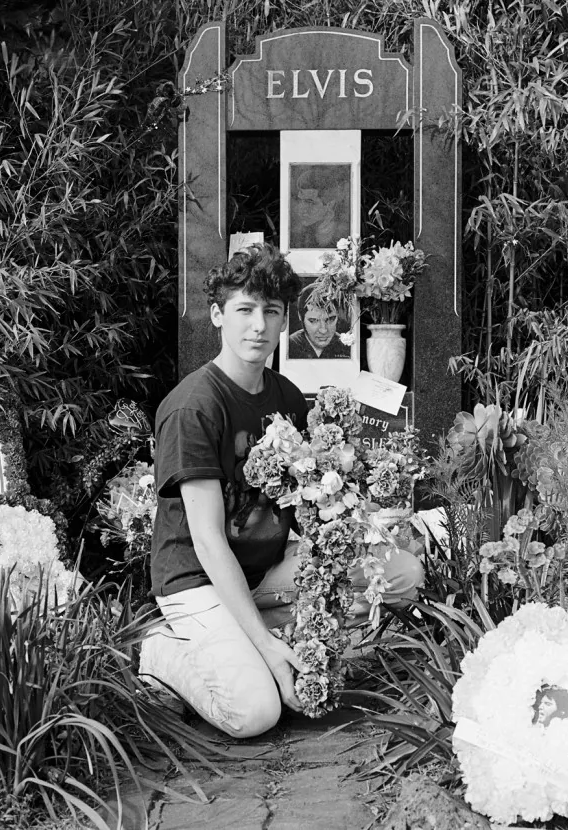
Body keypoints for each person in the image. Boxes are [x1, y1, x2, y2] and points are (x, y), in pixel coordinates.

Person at [138, 243, 424, 738]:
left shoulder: (286, 396)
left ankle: (249, 639)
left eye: (271, 311)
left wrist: (367, 518)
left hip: (263, 570)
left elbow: (312, 502)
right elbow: (207, 541)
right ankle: (161, 650)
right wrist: (271, 651)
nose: (258, 326)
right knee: (255, 714)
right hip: (198, 579)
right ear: (217, 315)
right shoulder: (194, 409)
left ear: (284, 319)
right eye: (244, 310)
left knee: (400, 574)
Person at [290, 166, 351, 249]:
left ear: (330, 205)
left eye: (310, 202)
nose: (302, 209)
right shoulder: (298, 235)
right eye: (300, 200)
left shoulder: (342, 236)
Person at [288, 284, 352, 359]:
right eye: (313, 321)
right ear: (300, 316)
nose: (323, 330)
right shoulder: (288, 345)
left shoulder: (349, 348)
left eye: (330, 319)